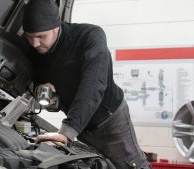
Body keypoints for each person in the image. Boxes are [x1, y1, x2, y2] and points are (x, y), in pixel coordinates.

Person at [22, 0, 151, 168]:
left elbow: (93, 85)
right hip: (81, 126)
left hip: (110, 122)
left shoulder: (89, 36)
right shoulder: (35, 49)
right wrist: (47, 96)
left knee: (131, 165)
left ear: (56, 26)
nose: (34, 44)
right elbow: (40, 82)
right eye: (29, 37)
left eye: (40, 36)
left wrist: (67, 132)